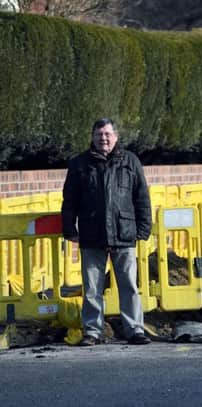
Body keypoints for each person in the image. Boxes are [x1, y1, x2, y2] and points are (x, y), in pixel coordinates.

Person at [62, 118, 152, 346]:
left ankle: (134, 329)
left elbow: (141, 197)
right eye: (99, 134)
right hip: (92, 234)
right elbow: (69, 201)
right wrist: (69, 229)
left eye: (107, 134)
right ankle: (92, 331)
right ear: (92, 137)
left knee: (129, 286)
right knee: (92, 288)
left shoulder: (130, 162)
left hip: (124, 233)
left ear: (116, 137)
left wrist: (143, 229)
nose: (104, 138)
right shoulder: (79, 164)